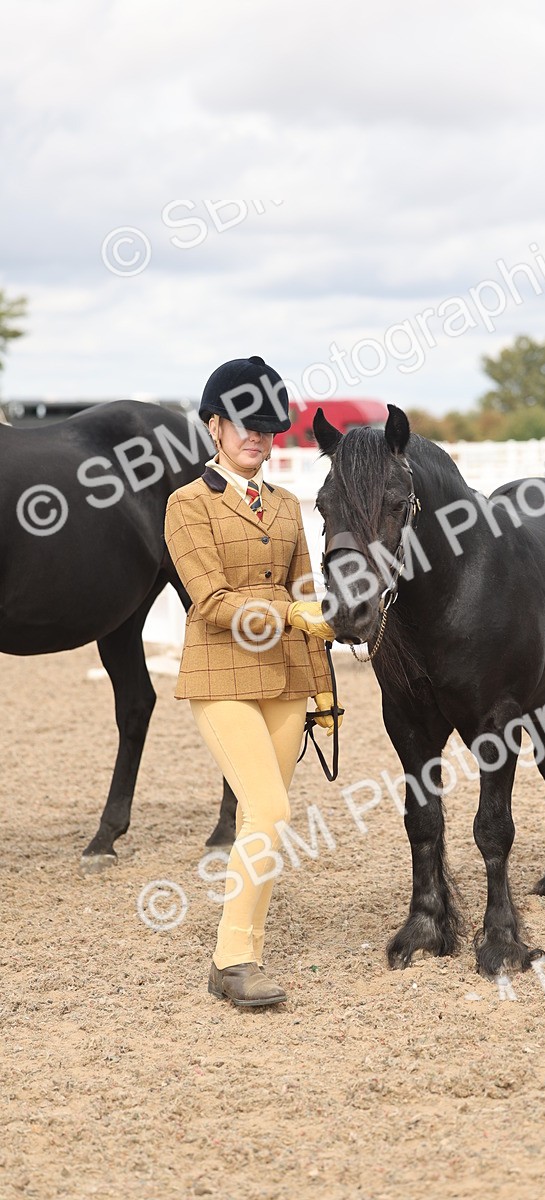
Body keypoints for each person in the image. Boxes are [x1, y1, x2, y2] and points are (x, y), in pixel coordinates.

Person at [164, 355, 341, 1008]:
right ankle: (233, 960)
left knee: (259, 826)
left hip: (288, 680)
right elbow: (209, 601)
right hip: (222, 677)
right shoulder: (187, 506)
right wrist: (292, 614)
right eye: (244, 424)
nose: (257, 438)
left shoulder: (290, 506)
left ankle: (242, 947)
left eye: (267, 427)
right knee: (267, 810)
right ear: (214, 426)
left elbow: (307, 596)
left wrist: (324, 693)